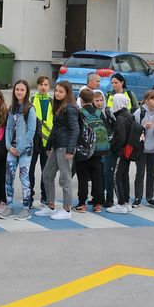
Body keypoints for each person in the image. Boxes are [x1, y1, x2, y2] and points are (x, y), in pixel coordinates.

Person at [38, 80, 80, 221]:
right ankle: (50, 206)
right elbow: (55, 128)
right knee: (47, 174)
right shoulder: (59, 106)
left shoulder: (70, 108)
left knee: (65, 178)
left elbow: (75, 129)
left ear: (67, 93)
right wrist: (48, 146)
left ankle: (67, 209)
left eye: (61, 91)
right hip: (56, 146)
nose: (57, 93)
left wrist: (70, 150)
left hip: (65, 147)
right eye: (56, 90)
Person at [0, 80, 36, 220]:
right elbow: (8, 127)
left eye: (22, 90)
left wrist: (19, 149)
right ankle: (9, 206)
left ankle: (26, 208)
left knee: (24, 177)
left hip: (25, 150)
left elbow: (31, 131)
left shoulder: (30, 109)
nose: (19, 92)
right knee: (9, 177)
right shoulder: (12, 108)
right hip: (12, 149)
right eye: (17, 89)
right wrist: (9, 146)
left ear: (26, 92)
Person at [76, 88, 107, 213]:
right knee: (97, 176)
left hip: (83, 149)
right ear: (92, 99)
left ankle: (82, 203)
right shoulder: (99, 113)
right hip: (98, 149)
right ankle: (97, 204)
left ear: (81, 100)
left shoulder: (79, 113)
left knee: (82, 177)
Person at [133, 89, 154, 207]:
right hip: (141, 148)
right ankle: (138, 198)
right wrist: (143, 127)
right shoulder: (139, 112)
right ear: (146, 100)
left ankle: (150, 197)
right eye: (153, 99)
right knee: (140, 173)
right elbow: (133, 130)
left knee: (151, 174)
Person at [108, 93, 138, 213]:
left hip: (121, 152)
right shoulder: (129, 115)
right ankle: (126, 201)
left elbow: (120, 138)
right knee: (124, 175)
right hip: (128, 151)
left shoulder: (120, 118)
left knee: (116, 176)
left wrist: (112, 148)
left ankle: (120, 204)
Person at [29, 76, 54, 207]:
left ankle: (45, 197)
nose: (43, 87)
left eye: (46, 84)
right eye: (41, 84)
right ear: (37, 86)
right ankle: (29, 196)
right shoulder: (32, 99)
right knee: (30, 170)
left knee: (46, 170)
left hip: (48, 141)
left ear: (49, 87)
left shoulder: (52, 101)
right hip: (34, 140)